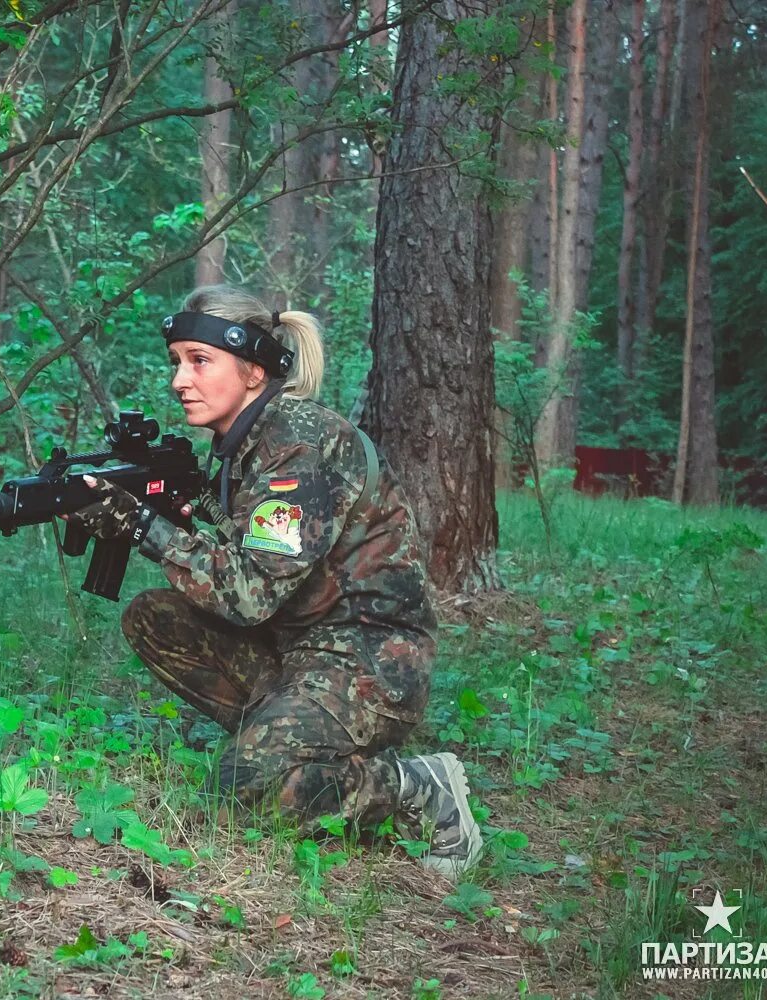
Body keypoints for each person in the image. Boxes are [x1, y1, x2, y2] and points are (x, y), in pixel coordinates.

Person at [66, 285, 483, 878]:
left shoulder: (301, 443)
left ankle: (418, 787)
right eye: (176, 361)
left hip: (367, 658)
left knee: (240, 792)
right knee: (154, 617)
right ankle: (285, 739)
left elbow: (248, 592)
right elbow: (245, 559)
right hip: (296, 645)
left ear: (254, 371)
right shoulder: (243, 446)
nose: (179, 380)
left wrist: (144, 527)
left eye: (199, 361)